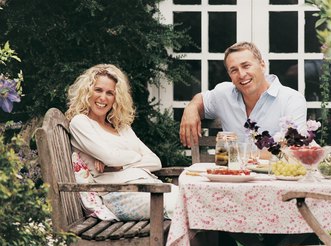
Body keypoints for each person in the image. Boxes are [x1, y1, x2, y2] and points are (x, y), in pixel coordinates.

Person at [65, 64, 177, 221]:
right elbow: (111, 158)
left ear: (116, 98)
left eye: (110, 93)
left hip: (149, 187)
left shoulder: (121, 127)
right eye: (98, 90)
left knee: (191, 198)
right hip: (118, 194)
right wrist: (124, 158)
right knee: (181, 205)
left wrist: (120, 165)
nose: (103, 98)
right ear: (87, 91)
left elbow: (155, 162)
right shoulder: (81, 123)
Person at [180, 41, 307, 148]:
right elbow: (200, 100)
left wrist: (244, 155)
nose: (241, 75)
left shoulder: (292, 99)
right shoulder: (223, 94)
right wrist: (191, 108)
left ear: (262, 65)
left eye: (246, 66)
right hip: (231, 176)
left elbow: (294, 148)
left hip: (275, 176)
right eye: (234, 70)